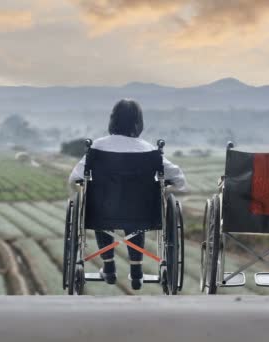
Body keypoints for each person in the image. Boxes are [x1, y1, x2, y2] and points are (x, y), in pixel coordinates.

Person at [69, 99, 186, 290]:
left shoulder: (96, 149)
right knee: (135, 217)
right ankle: (137, 271)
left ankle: (108, 267)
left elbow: (75, 178)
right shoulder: (149, 150)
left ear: (112, 121)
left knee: (98, 204)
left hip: (102, 212)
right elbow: (178, 177)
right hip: (143, 212)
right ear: (138, 123)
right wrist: (174, 189)